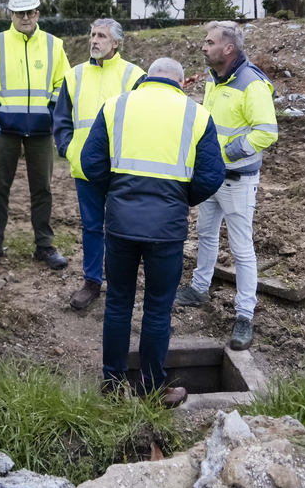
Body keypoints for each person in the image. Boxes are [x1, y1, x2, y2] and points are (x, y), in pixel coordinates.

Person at [81, 57, 224, 407]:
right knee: (158, 310)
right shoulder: (197, 114)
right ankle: (152, 389)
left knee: (118, 303)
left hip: (120, 224)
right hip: (167, 229)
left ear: (148, 77)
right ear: (180, 81)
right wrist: (179, 199)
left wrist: (117, 193)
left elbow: (90, 163)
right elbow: (211, 175)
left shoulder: (115, 106)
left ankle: (113, 386)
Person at [173, 21, 279, 351]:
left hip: (237, 180)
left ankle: (245, 315)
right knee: (205, 233)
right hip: (211, 177)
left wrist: (229, 153)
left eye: (210, 42)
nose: (203, 47)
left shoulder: (252, 84)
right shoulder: (213, 80)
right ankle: (199, 288)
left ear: (228, 49)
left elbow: (267, 132)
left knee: (241, 248)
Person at [0, 0, 71, 271]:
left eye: (29, 12)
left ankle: (44, 245)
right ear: (11, 15)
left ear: (38, 13)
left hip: (41, 130)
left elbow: (63, 83)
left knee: (42, 189)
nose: (25, 17)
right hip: (4, 130)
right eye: (19, 13)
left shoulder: (54, 45)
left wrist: (51, 112)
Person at [52, 18, 145, 309]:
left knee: (122, 228)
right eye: (93, 34)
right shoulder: (74, 75)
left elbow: (143, 121)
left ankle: (120, 282)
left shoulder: (134, 76)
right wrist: (69, 150)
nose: (94, 40)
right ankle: (92, 281)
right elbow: (61, 119)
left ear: (116, 42)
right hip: (85, 168)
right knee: (92, 227)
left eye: (102, 36)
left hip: (121, 169)